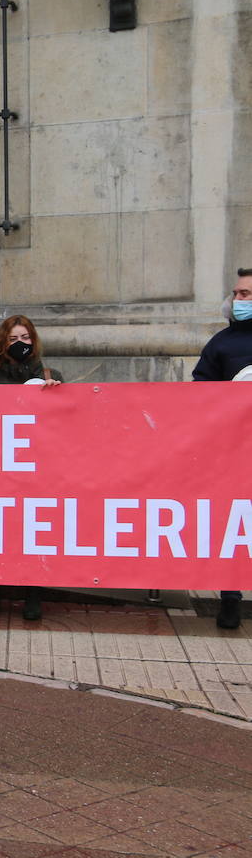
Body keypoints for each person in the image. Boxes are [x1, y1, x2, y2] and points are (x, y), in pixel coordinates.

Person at [0, 315, 63, 621]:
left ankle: (33, 595)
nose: (20, 344)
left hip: (37, 469)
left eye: (25, 338)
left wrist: (58, 391)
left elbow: (66, 419)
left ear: (34, 340)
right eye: (13, 339)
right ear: (3, 344)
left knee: (33, 533)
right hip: (1, 469)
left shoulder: (50, 374)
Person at [194, 267, 252, 629]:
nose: (238, 300)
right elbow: (201, 389)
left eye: (245, 294)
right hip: (232, 449)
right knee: (233, 523)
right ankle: (230, 598)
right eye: (237, 294)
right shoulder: (220, 343)